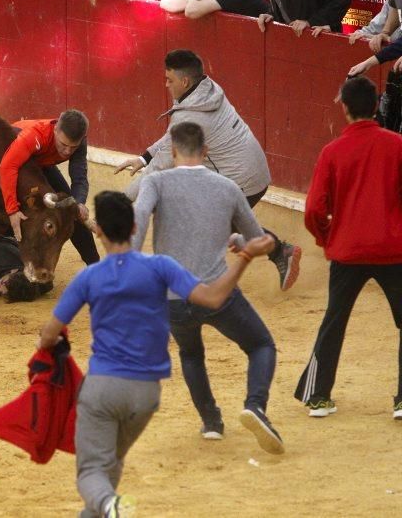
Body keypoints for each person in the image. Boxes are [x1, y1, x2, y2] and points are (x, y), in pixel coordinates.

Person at [37, 190, 275, 518]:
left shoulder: (89, 278)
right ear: (135, 229)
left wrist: (46, 347)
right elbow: (214, 297)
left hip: (103, 387)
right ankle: (106, 507)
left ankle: (111, 505)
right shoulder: (161, 266)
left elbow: (49, 333)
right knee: (109, 466)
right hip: (146, 393)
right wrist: (244, 258)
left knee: (92, 472)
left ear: (100, 232)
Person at [134, 122, 284, 454]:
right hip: (218, 292)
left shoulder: (155, 181)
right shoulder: (227, 187)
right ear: (206, 152)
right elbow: (258, 240)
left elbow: (139, 218)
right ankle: (255, 405)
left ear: (172, 152)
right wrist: (238, 240)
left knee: (191, 353)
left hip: (173, 296)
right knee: (261, 345)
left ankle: (212, 422)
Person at [115, 49, 301, 290]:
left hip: (240, 179)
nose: (166, 85)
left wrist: (121, 200)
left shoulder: (192, 113)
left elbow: (159, 169)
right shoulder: (205, 90)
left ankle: (275, 252)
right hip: (252, 170)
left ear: (184, 81)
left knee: (202, 227)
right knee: (219, 225)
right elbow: (173, 135)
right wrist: (144, 157)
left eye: (169, 80)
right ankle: (271, 249)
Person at [294, 77, 402, 419]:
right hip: (393, 250)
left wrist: (329, 237)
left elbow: (313, 210)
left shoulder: (332, 152)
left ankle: (318, 396)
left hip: (347, 251)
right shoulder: (398, 145)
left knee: (334, 321)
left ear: (345, 109)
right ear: (375, 106)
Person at [0, 110, 100, 265]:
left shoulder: (79, 142)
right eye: (63, 144)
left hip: (42, 165)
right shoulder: (35, 135)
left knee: (71, 209)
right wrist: (12, 210)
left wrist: (78, 203)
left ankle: (95, 266)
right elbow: (7, 167)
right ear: (55, 130)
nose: (67, 151)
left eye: (73, 147)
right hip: (15, 161)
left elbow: (79, 178)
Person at [257, 0, 351, 37]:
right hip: (295, 42)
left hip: (322, 40)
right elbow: (283, 3)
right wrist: (272, 15)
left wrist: (310, 22)